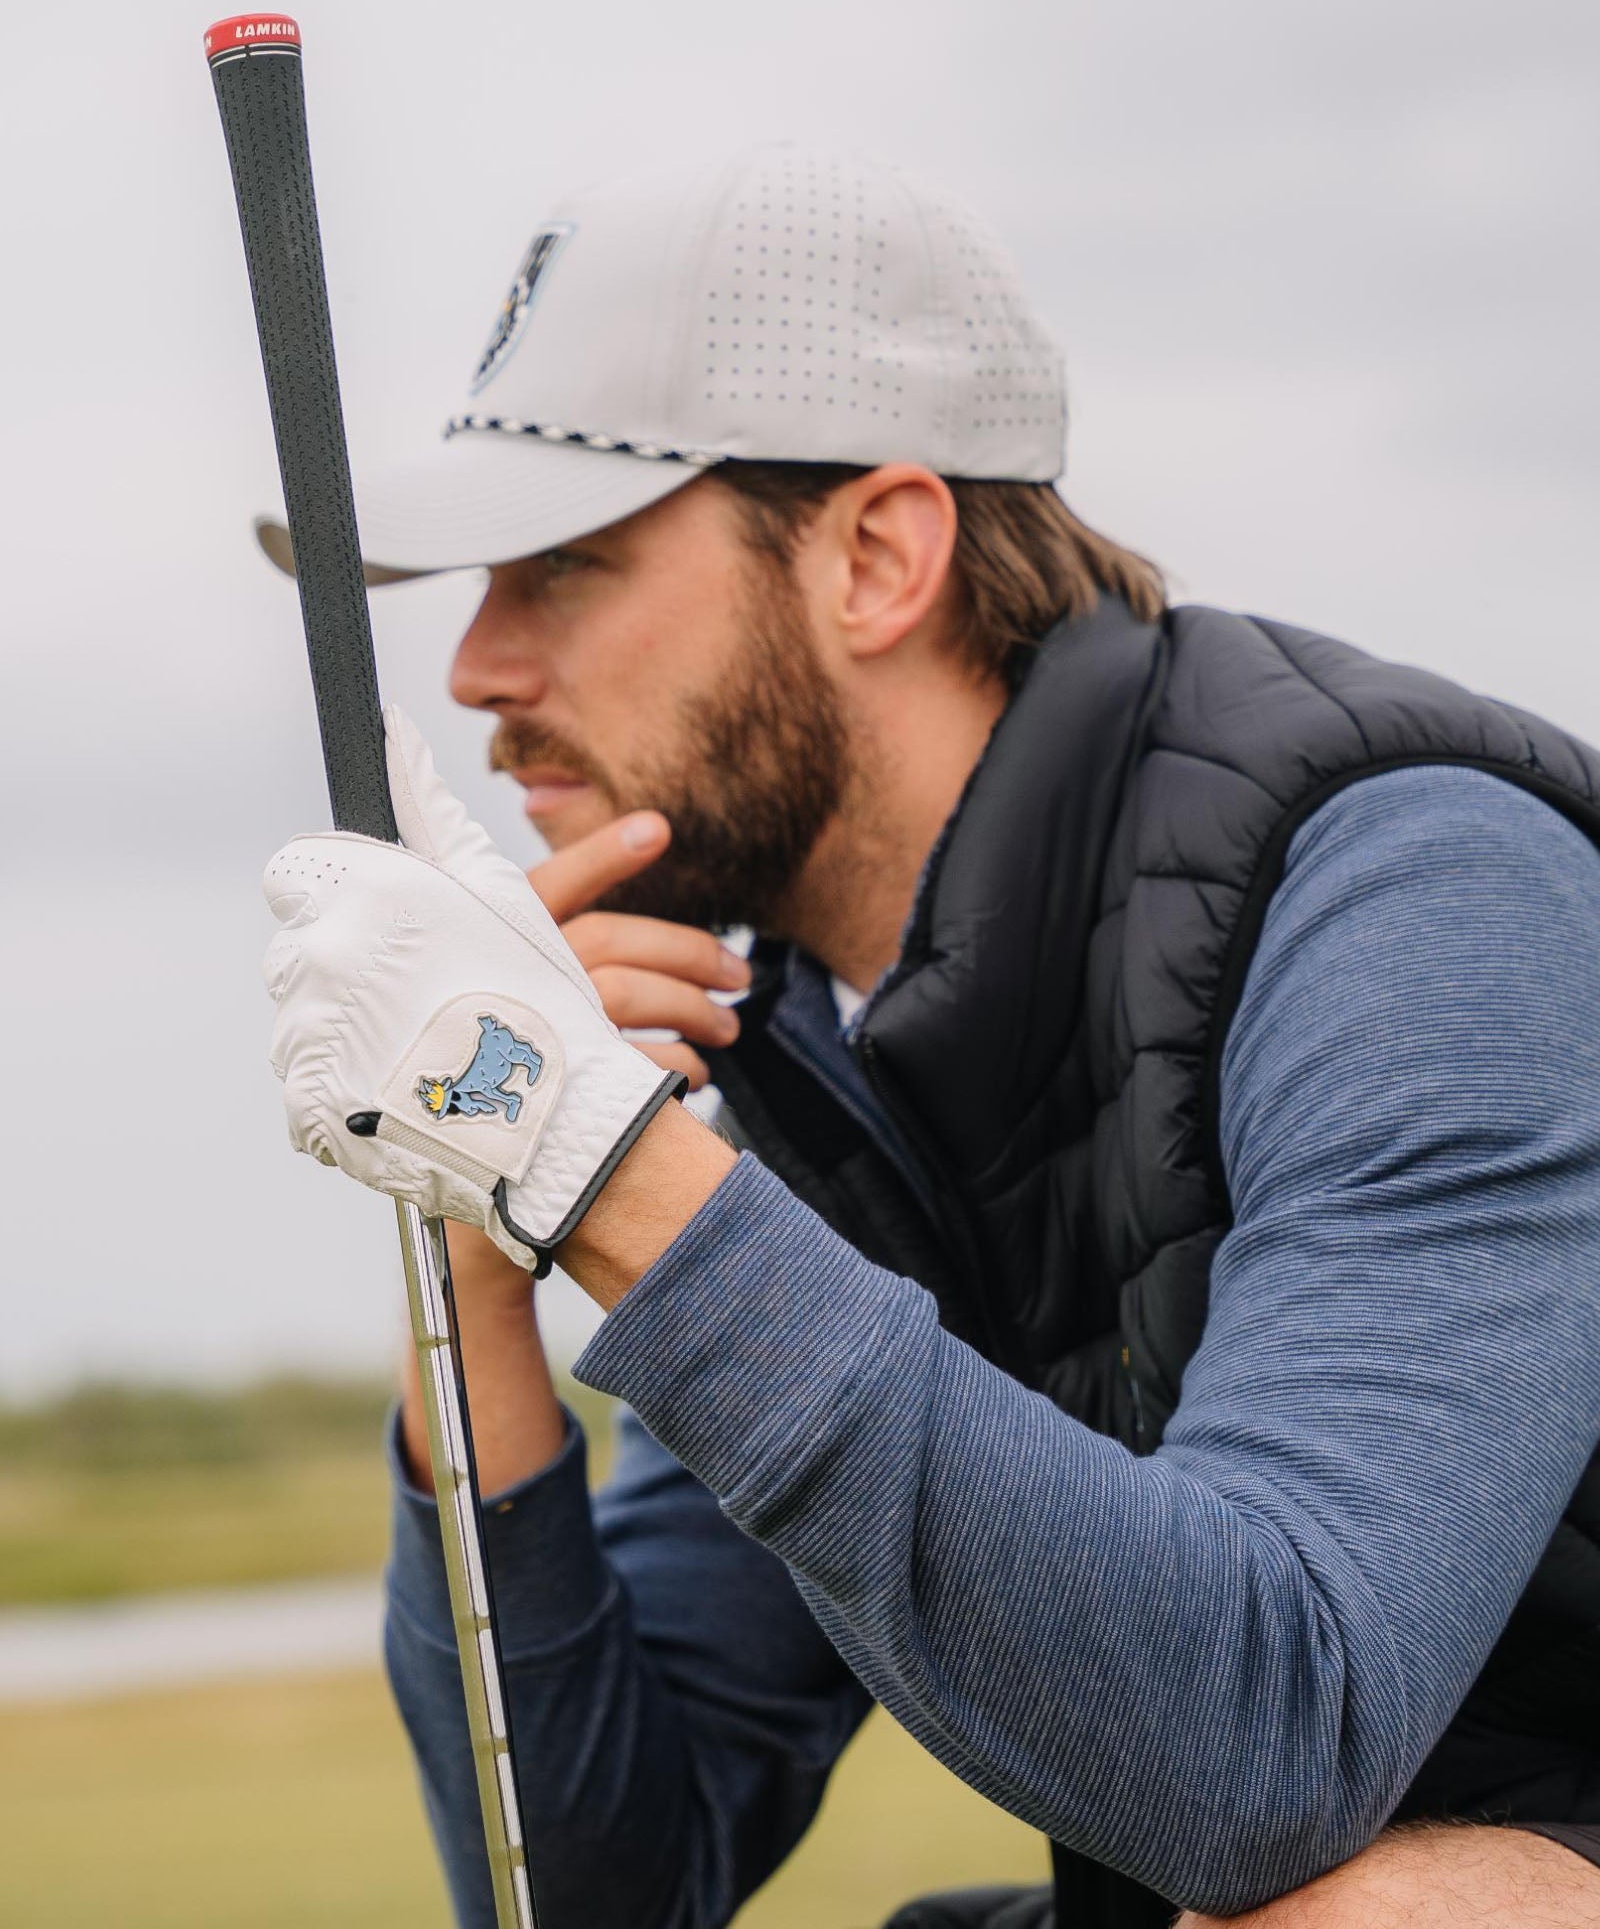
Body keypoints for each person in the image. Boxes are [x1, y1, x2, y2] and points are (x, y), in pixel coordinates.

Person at [257, 144, 1600, 1927]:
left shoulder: (1423, 892)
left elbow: (1268, 1744)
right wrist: (482, 1255)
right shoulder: (807, 1052)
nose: (479, 667)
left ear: (879, 556)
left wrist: (580, 1152)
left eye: (563, 563)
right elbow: (602, 1881)